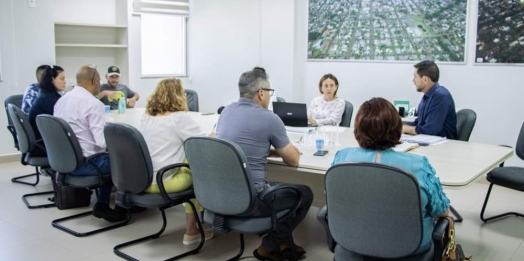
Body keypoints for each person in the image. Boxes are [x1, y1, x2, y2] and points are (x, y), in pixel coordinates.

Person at [332, 97, 450, 256]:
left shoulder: (342, 157)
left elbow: (335, 200)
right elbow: (441, 211)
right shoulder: (417, 165)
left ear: (357, 129)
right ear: (397, 128)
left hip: (351, 241)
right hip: (410, 247)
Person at [217, 67, 313, 261]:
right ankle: (268, 246)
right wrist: (284, 148)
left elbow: (237, 146)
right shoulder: (269, 118)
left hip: (224, 193)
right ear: (261, 93)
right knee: (305, 193)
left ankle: (285, 242)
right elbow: (293, 160)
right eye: (270, 92)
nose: (270, 96)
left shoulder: (226, 112)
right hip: (254, 200)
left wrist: (266, 149)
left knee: (276, 184)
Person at [139, 78, 214, 245]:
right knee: (199, 173)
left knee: (187, 157)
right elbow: (203, 142)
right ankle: (191, 232)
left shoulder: (147, 117)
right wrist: (215, 133)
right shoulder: (179, 118)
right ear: (178, 95)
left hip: (142, 180)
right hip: (163, 182)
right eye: (183, 93)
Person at [54, 65, 126, 222]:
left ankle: (102, 205)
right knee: (124, 160)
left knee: (107, 156)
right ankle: (124, 207)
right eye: (99, 81)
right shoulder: (93, 104)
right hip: (86, 165)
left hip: (64, 163)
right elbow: (101, 143)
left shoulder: (61, 100)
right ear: (94, 80)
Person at [403, 61, 457, 139]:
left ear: (425, 79)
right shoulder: (427, 96)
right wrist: (400, 128)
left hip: (443, 146)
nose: (413, 80)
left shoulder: (440, 96)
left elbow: (431, 130)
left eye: (415, 77)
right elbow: (420, 122)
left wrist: (406, 129)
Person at [28, 65, 65, 158]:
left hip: (44, 140)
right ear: (52, 79)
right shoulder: (48, 99)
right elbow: (64, 122)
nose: (65, 82)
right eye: (62, 79)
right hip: (44, 145)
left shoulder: (48, 94)